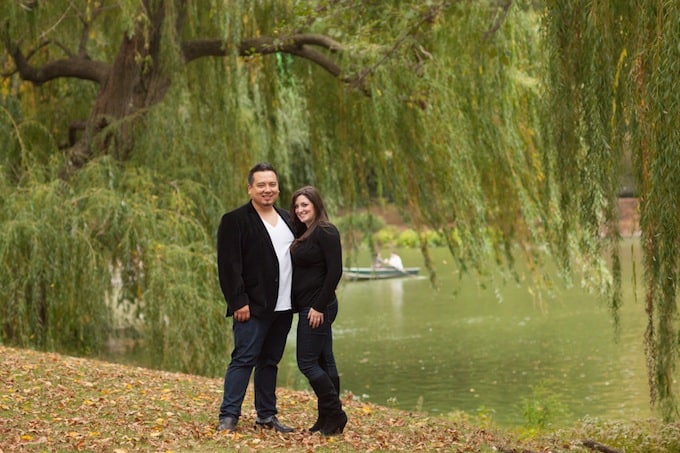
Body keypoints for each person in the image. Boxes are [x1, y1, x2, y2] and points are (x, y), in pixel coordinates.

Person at [215, 163, 295, 434]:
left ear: (278, 187)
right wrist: (238, 301)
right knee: (243, 358)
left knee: (269, 361)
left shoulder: (288, 219)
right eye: (261, 185)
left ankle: (266, 416)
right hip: (252, 306)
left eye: (272, 184)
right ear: (250, 188)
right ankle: (228, 417)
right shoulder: (235, 220)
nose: (267, 190)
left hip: (284, 306)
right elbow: (229, 265)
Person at [289, 186, 348, 435]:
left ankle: (336, 413)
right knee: (325, 360)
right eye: (297, 206)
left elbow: (335, 271)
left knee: (307, 362)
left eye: (305, 205)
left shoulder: (326, 231)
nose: (301, 209)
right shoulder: (304, 232)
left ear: (316, 205)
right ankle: (326, 420)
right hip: (309, 305)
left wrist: (318, 306)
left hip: (318, 307)